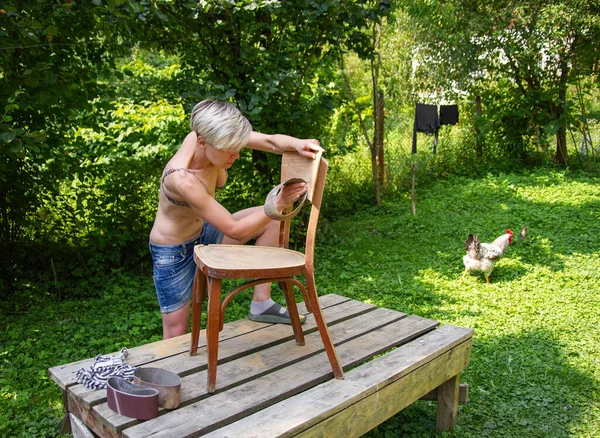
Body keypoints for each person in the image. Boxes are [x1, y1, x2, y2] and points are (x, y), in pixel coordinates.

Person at [149, 100, 324, 339]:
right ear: (202, 143)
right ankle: (174, 373)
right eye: (231, 150)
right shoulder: (182, 179)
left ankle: (261, 302)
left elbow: (271, 142)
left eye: (239, 147)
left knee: (272, 220)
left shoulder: (214, 136)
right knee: (178, 331)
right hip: (172, 251)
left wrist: (298, 144)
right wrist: (276, 204)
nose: (238, 155)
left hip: (205, 233)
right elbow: (235, 229)